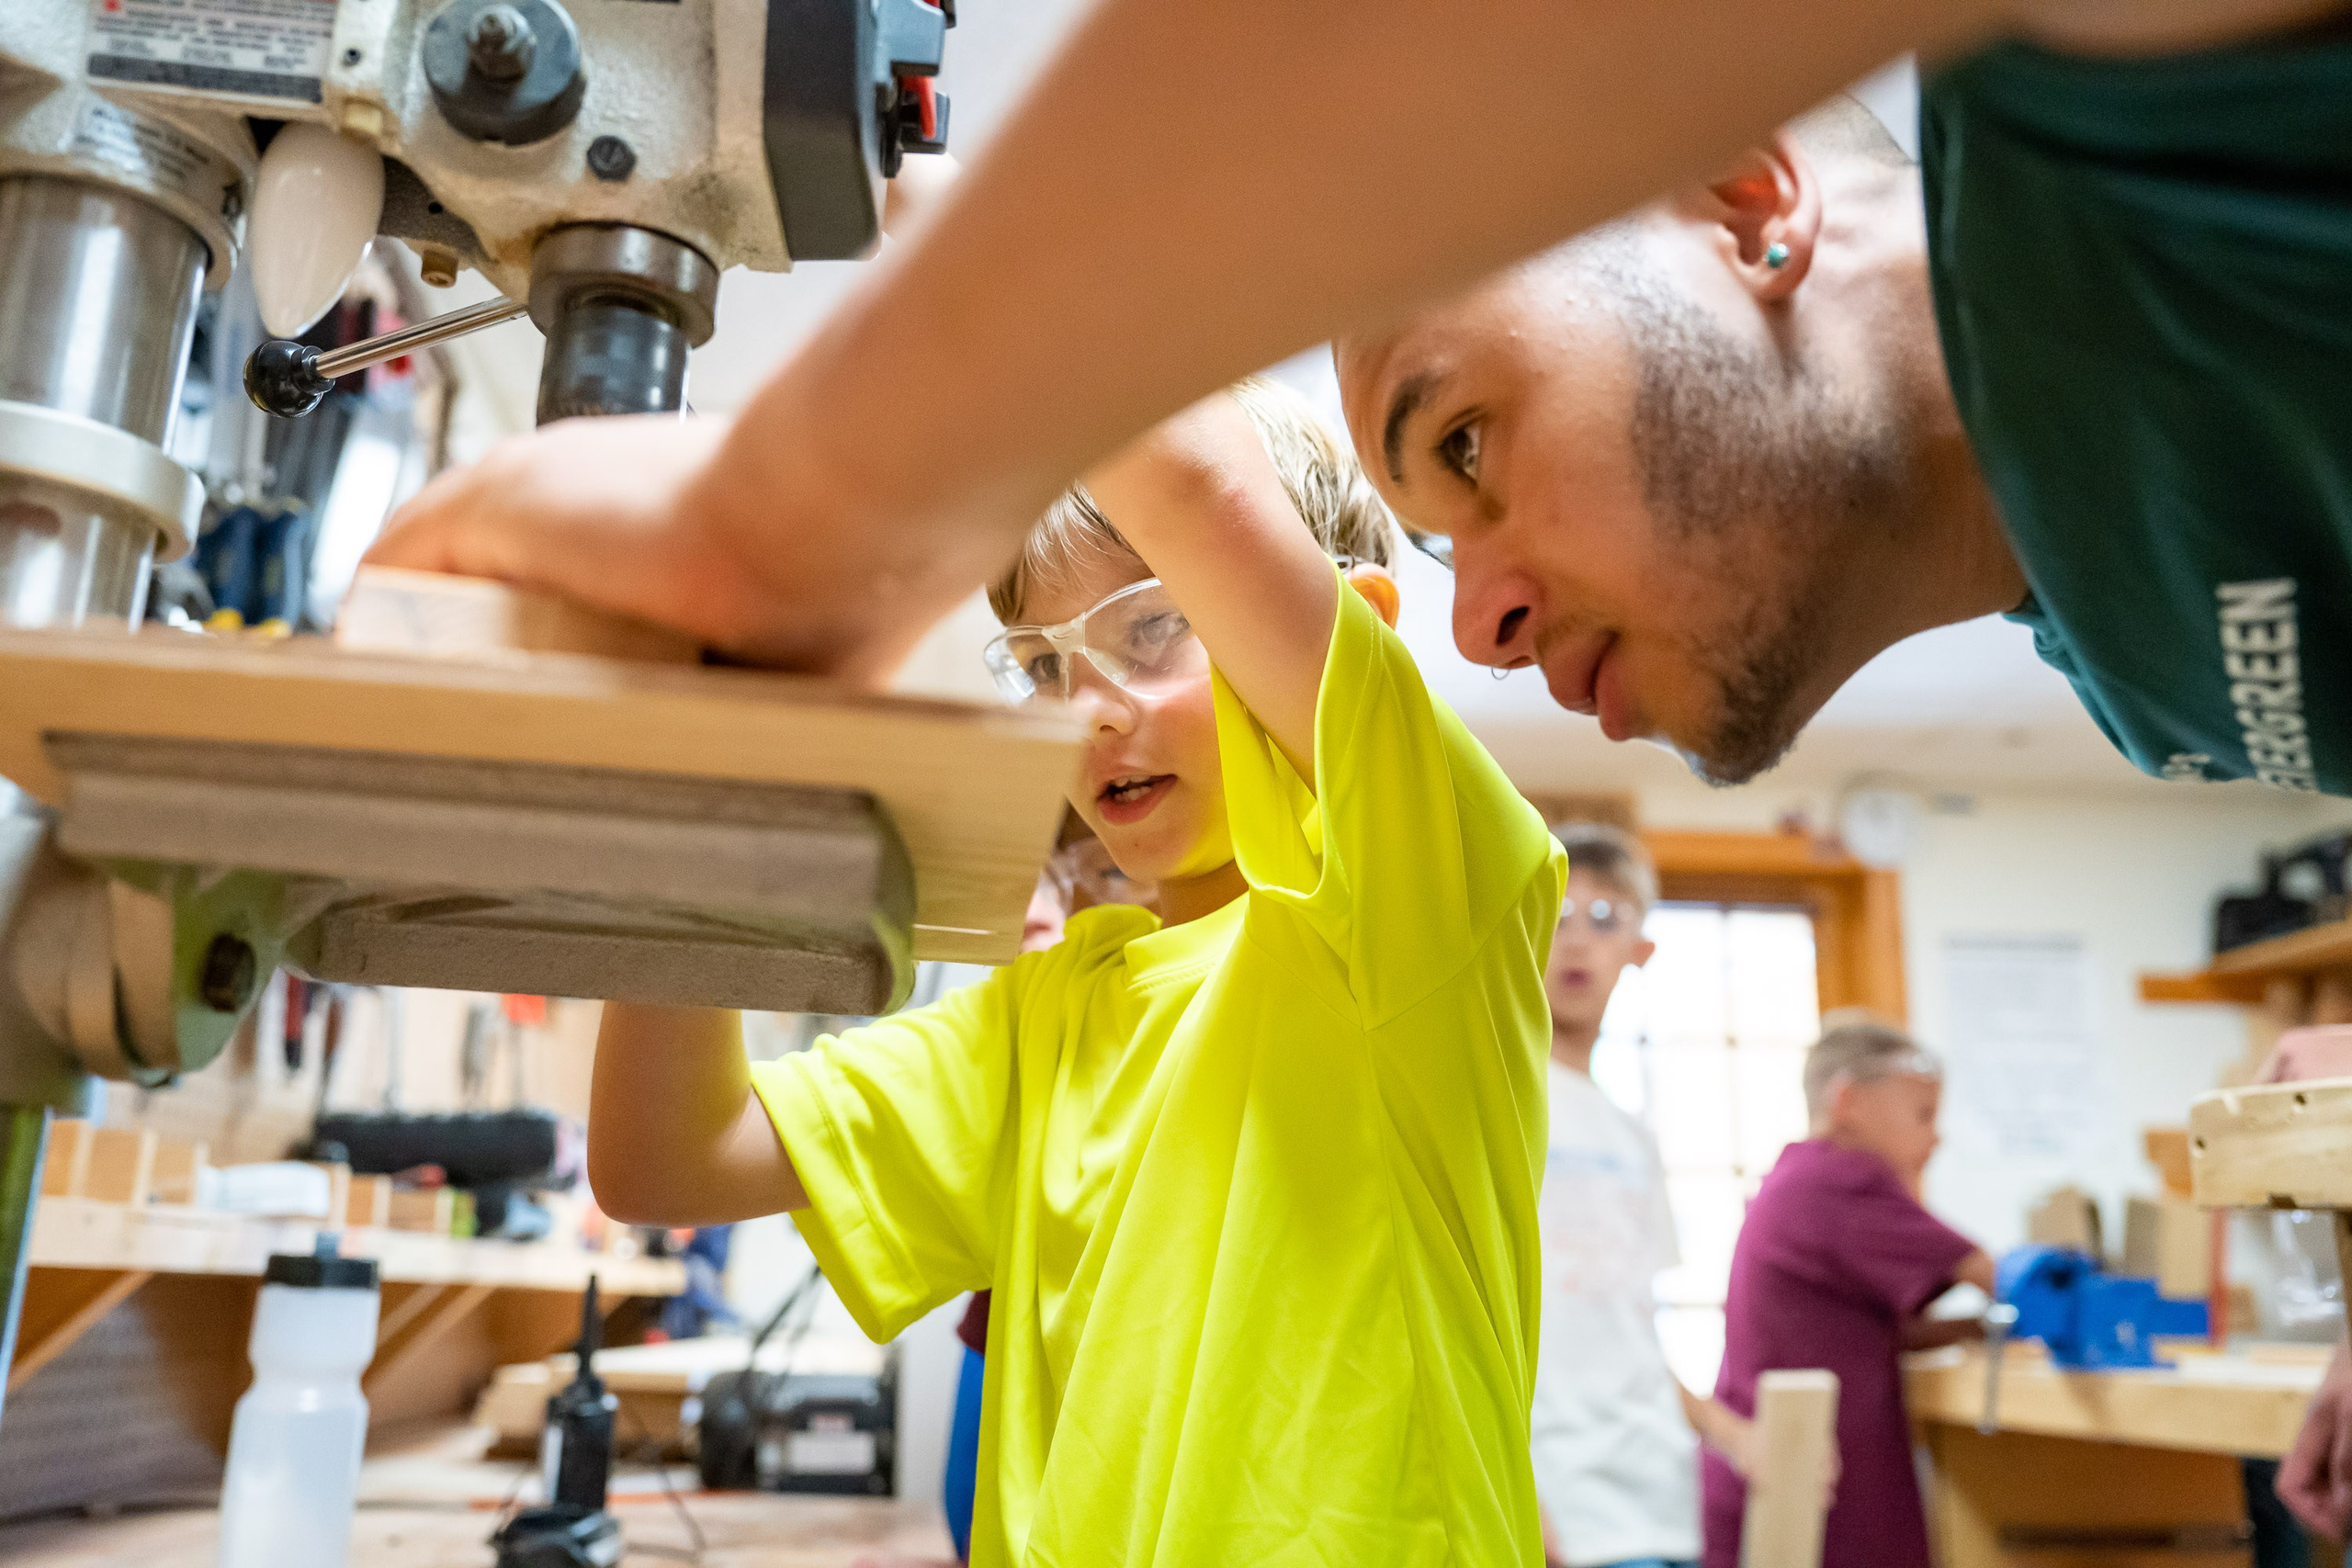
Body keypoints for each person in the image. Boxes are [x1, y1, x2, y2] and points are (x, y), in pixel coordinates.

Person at [370, 4, 2352, 800]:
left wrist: (802, 506)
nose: (1481, 621)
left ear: (1739, 201)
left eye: (1464, 439)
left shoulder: (2113, 161)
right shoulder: (2119, 663)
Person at [579, 378, 1566, 1564]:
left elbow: (1201, 490)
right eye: (1043, 666)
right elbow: (665, 1153)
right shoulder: (1041, 1014)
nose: (1086, 711)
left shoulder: (1419, 899)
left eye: (1152, 628)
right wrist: (699, 786)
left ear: (1355, 630)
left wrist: (967, 270)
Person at [1534, 822, 1749, 1568]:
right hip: (1550, 1492)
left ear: (1640, 949)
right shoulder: (1496, 1100)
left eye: (1605, 918)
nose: (1577, 941)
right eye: (1556, 915)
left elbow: (1625, 1325)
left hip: (1656, 1493)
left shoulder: (1632, 1135)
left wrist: (1729, 1434)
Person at [1706, 1019, 1996, 1568]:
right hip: (1808, 1483)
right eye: (1923, 1115)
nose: (1936, 1137)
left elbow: (1879, 1329)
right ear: (1850, 1102)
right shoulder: (1843, 1179)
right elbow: (1992, 1274)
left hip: (1775, 1471)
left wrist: (1978, 1328)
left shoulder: (1795, 1176)